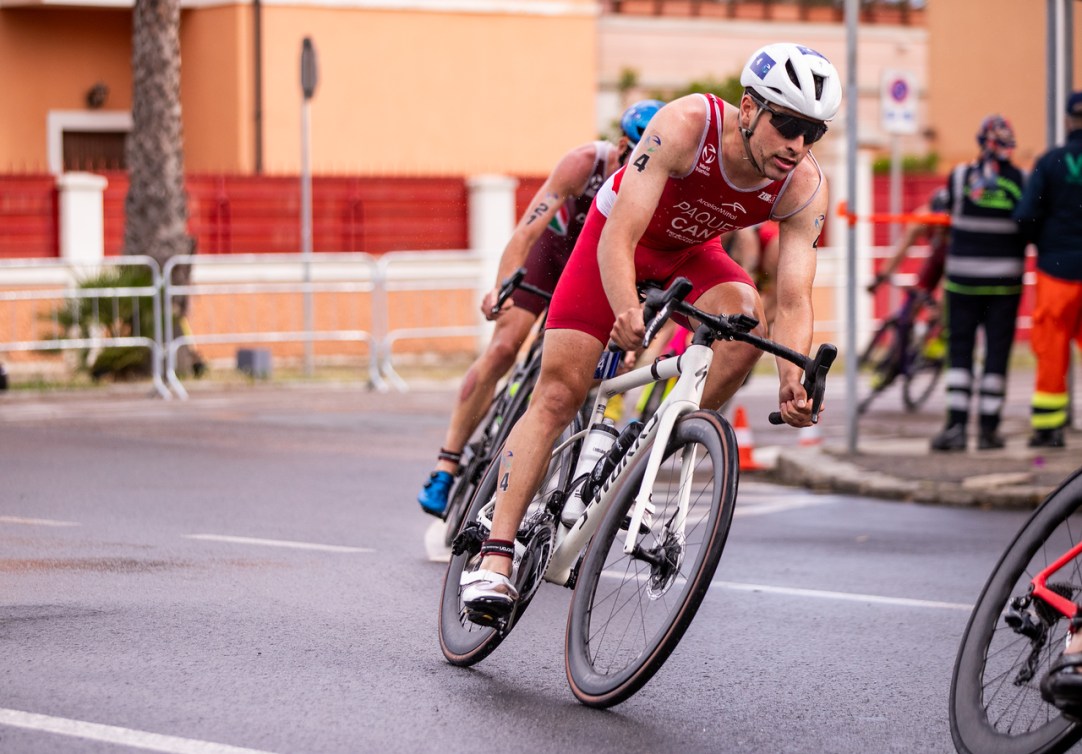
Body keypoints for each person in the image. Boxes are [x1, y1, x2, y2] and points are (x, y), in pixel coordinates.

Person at [459, 42, 842, 619]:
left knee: (747, 318)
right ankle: (495, 557)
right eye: (786, 124)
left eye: (812, 133)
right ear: (748, 109)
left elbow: (793, 296)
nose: (797, 145)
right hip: (614, 242)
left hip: (690, 253)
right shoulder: (687, 125)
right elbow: (619, 236)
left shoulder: (802, 185)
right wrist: (624, 310)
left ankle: (652, 447)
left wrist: (794, 375)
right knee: (560, 392)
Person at [416, 100, 665, 517]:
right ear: (623, 145)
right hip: (553, 256)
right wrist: (502, 286)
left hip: (598, 271)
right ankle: (447, 462)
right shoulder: (584, 163)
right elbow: (528, 230)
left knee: (583, 377)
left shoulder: (661, 186)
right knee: (504, 345)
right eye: (637, 155)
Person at [929, 114, 1027, 453]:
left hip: (963, 283)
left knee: (960, 353)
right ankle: (988, 431)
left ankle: (956, 427)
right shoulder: (1021, 180)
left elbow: (939, 209)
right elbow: (1029, 222)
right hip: (1005, 285)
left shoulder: (959, 177)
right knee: (997, 354)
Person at [1014, 91, 1082, 450]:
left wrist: (1043, 243)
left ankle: (1048, 430)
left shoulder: (1051, 162)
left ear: (1069, 121)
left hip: (1057, 269)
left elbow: (1025, 215)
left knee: (1052, 348)